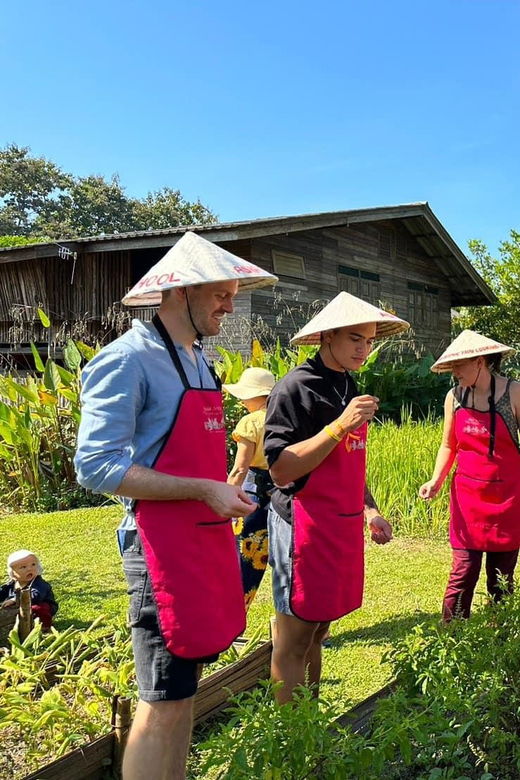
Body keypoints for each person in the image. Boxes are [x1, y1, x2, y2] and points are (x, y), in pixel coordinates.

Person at [74, 231, 277, 780]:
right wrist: (202, 489)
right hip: (159, 549)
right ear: (178, 292)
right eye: (220, 295)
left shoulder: (198, 360)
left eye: (233, 295)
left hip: (203, 537)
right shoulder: (128, 360)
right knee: (160, 701)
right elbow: (96, 467)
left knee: (183, 691)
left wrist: (219, 490)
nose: (230, 307)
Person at [263, 291, 409, 703]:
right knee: (292, 636)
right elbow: (281, 469)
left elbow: (348, 460)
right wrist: (339, 426)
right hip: (301, 524)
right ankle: (287, 739)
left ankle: (309, 718)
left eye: (369, 340)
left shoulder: (347, 382)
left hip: (340, 522)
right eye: (355, 339)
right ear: (327, 336)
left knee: (319, 628)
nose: (364, 348)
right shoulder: (295, 388)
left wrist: (370, 509)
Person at [419, 329, 520, 621]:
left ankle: (499, 645)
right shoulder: (454, 397)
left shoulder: (513, 392)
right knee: (463, 571)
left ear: (479, 362)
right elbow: (448, 444)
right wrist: (435, 480)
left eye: (458, 366)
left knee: (501, 579)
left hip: (508, 500)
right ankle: (452, 641)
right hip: (467, 501)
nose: (454, 373)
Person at [223, 366, 276, 609]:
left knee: (247, 558)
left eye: (246, 395)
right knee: (289, 562)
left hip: (254, 494)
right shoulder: (286, 417)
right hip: (285, 493)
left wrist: (225, 497)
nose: (242, 401)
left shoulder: (250, 423)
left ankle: (235, 613)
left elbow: (240, 468)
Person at [0, 549, 58, 631]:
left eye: (33, 565)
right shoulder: (12, 584)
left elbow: (36, 595)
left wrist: (14, 600)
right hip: (20, 607)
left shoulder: (39, 583)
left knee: (38, 609)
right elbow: (2, 592)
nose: (29, 569)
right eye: (23, 567)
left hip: (39, 604)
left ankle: (45, 626)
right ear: (13, 573)